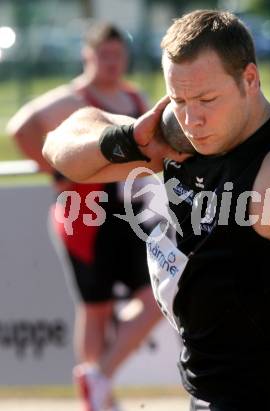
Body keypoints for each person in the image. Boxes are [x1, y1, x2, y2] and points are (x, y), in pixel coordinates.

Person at [42, 10, 270, 411]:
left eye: (206, 99)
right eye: (180, 99)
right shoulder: (178, 138)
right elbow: (59, 148)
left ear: (250, 80)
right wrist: (126, 139)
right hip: (205, 395)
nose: (192, 118)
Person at [7, 22, 162, 411]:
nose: (112, 62)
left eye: (118, 54)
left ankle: (99, 378)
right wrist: (57, 172)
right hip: (84, 215)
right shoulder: (72, 99)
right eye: (104, 55)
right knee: (96, 308)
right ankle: (98, 397)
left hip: (128, 213)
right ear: (88, 55)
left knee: (156, 297)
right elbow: (20, 128)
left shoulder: (134, 96)